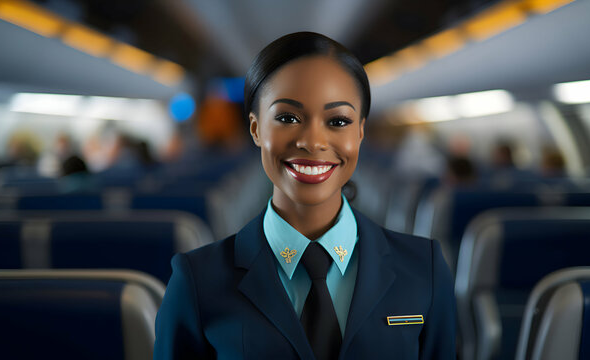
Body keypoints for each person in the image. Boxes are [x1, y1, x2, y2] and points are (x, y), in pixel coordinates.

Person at [154, 32, 455, 360]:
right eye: (287, 118)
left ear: (360, 132)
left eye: (338, 121)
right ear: (256, 128)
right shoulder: (197, 281)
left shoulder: (424, 270)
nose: (313, 141)